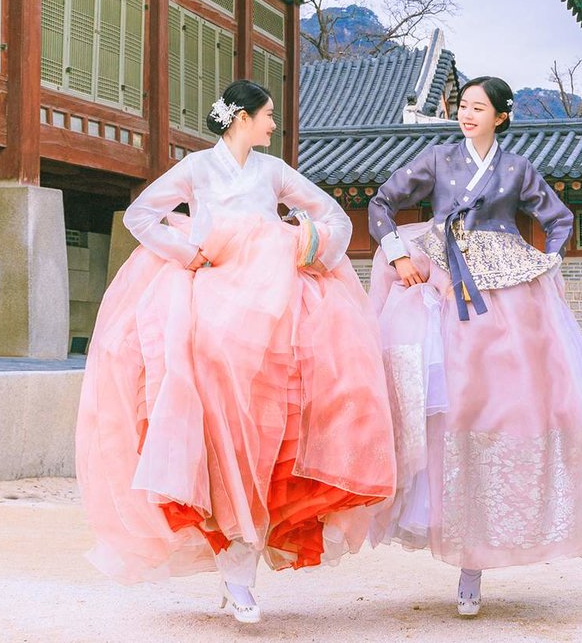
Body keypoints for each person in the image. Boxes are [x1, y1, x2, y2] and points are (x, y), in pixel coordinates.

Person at [76, 80, 396, 624]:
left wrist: (306, 243)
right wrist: (188, 252)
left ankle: (241, 569)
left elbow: (335, 218)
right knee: (214, 420)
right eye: (269, 115)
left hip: (275, 307)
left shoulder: (272, 173)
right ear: (242, 116)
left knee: (274, 429)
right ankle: (235, 567)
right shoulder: (197, 168)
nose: (274, 125)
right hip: (210, 299)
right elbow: (141, 216)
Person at [367, 76, 582, 616]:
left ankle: (477, 561)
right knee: (451, 410)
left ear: (501, 116)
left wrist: (544, 264)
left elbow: (558, 219)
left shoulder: (518, 169)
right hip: (445, 283)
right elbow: (382, 202)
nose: (466, 115)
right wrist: (399, 255)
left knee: (511, 407)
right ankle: (458, 543)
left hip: (508, 290)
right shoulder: (437, 159)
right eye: (461, 106)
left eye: (477, 108)